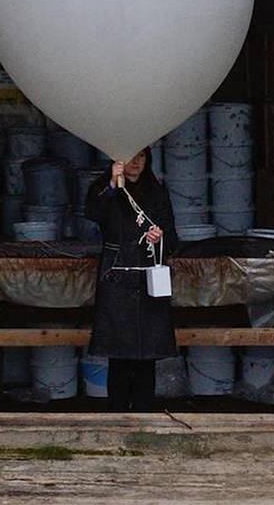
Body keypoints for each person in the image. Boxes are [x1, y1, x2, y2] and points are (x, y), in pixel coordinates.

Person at [83, 147, 178, 412]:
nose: (135, 163)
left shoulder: (158, 192)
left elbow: (173, 237)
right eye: (130, 156)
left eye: (142, 157)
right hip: (117, 278)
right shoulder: (108, 190)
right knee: (119, 356)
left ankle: (145, 413)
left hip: (148, 277)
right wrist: (112, 182)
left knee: (148, 357)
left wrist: (160, 238)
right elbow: (92, 212)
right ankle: (116, 415)